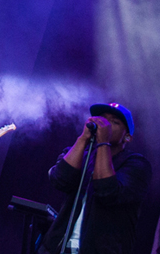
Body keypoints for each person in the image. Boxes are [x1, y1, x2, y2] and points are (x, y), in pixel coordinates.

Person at [38, 102, 151, 254]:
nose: (105, 125)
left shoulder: (136, 164)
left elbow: (107, 191)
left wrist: (103, 142)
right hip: (58, 247)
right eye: (101, 119)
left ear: (127, 137)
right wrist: (83, 138)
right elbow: (60, 180)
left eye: (114, 122)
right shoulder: (80, 154)